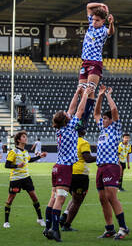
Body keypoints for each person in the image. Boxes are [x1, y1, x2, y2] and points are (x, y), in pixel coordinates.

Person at [43, 86, 92, 242]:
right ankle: (55, 230)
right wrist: (85, 94)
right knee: (60, 199)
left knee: (53, 198)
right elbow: (80, 109)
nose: (68, 113)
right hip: (64, 168)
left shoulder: (61, 128)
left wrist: (76, 93)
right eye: (66, 115)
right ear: (66, 120)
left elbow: (71, 109)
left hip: (57, 166)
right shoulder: (71, 127)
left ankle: (48, 227)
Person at [94, 85, 129, 240]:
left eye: (105, 118)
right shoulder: (102, 129)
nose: (103, 119)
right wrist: (100, 95)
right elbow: (96, 113)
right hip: (101, 167)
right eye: (103, 119)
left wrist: (108, 95)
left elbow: (114, 111)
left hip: (111, 166)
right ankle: (109, 228)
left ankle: (123, 228)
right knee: (103, 198)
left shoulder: (114, 128)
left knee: (111, 196)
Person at [76, 2, 115, 132]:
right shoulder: (91, 25)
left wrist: (111, 23)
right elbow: (88, 6)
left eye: (97, 20)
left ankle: (84, 119)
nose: (94, 22)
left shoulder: (103, 30)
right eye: (93, 19)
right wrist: (102, 4)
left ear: (103, 21)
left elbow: (111, 32)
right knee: (82, 90)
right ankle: (82, 117)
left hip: (95, 62)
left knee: (89, 89)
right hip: (85, 62)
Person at [4, 130, 47, 228]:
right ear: (18, 140)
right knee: (10, 199)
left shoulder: (25, 151)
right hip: (16, 179)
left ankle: (40, 219)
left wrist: (40, 156)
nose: (26, 138)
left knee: (34, 197)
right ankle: (6, 222)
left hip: (26, 178)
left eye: (25, 136)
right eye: (23, 137)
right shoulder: (13, 152)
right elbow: (7, 165)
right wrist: (17, 165)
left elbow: (29, 160)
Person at [59, 129, 96, 231]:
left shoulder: (69, 141)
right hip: (80, 175)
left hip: (68, 172)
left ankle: (64, 216)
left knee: (74, 197)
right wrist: (101, 157)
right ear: (83, 132)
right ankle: (66, 225)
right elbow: (87, 158)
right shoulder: (83, 142)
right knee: (78, 201)